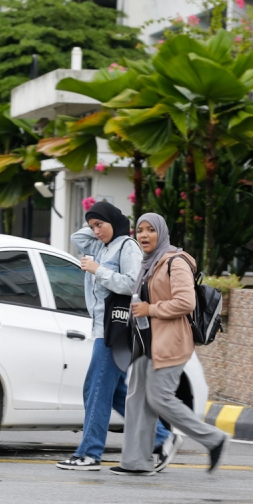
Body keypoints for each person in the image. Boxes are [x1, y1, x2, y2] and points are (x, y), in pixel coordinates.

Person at [55, 202, 181, 472]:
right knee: (113, 393)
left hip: (118, 329)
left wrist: (98, 270)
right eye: (92, 226)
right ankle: (163, 437)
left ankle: (89, 453)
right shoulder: (102, 246)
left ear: (115, 221)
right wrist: (98, 224)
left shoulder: (128, 247)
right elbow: (77, 238)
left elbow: (133, 283)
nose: (95, 231)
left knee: (96, 389)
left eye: (100, 224)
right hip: (103, 328)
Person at [111, 213, 229, 477]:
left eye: (150, 230)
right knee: (136, 399)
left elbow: (186, 302)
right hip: (146, 342)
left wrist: (150, 309)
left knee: (159, 398)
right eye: (139, 230)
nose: (143, 235)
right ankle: (135, 462)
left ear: (161, 233)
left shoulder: (175, 263)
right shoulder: (147, 264)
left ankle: (213, 439)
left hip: (171, 342)